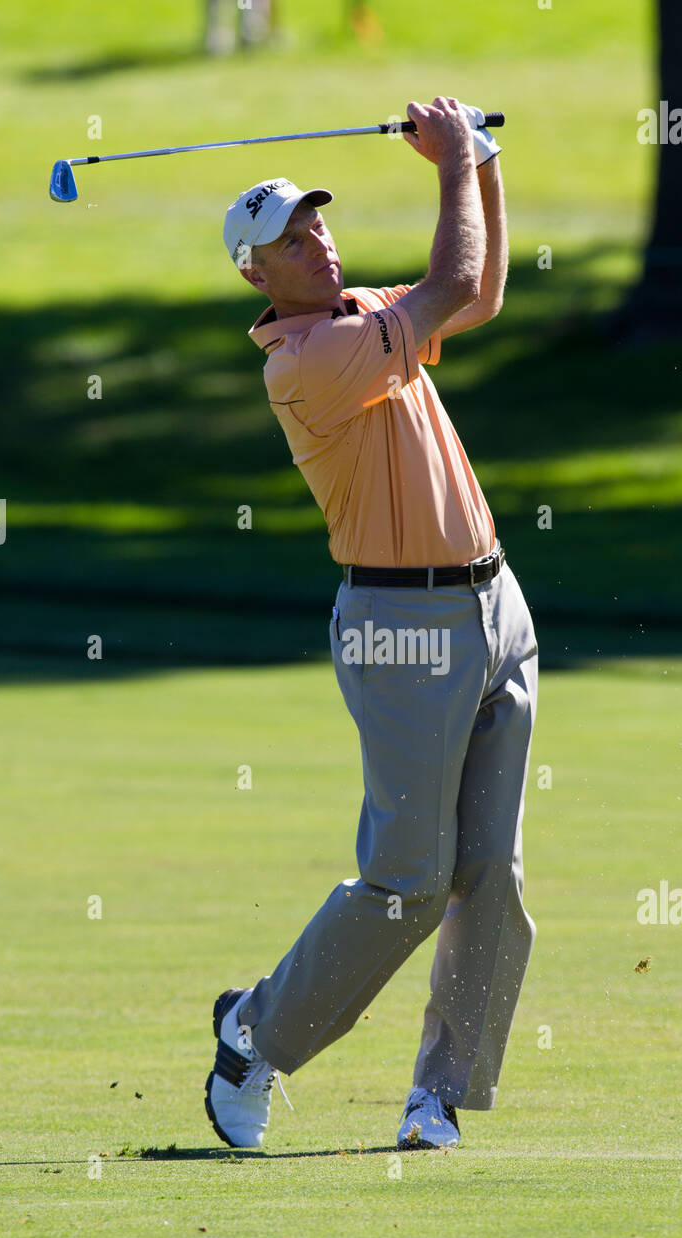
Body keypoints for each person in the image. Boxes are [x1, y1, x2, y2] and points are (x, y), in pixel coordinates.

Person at [206, 97, 538, 1152]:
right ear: (255, 275)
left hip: (494, 604)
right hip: (402, 626)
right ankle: (253, 1036)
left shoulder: (359, 312)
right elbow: (446, 285)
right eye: (287, 241)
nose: (315, 241)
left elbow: (477, 293)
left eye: (314, 224)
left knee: (491, 874)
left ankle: (437, 1095)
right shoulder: (305, 359)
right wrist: (448, 165)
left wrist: (479, 161)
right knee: (406, 880)